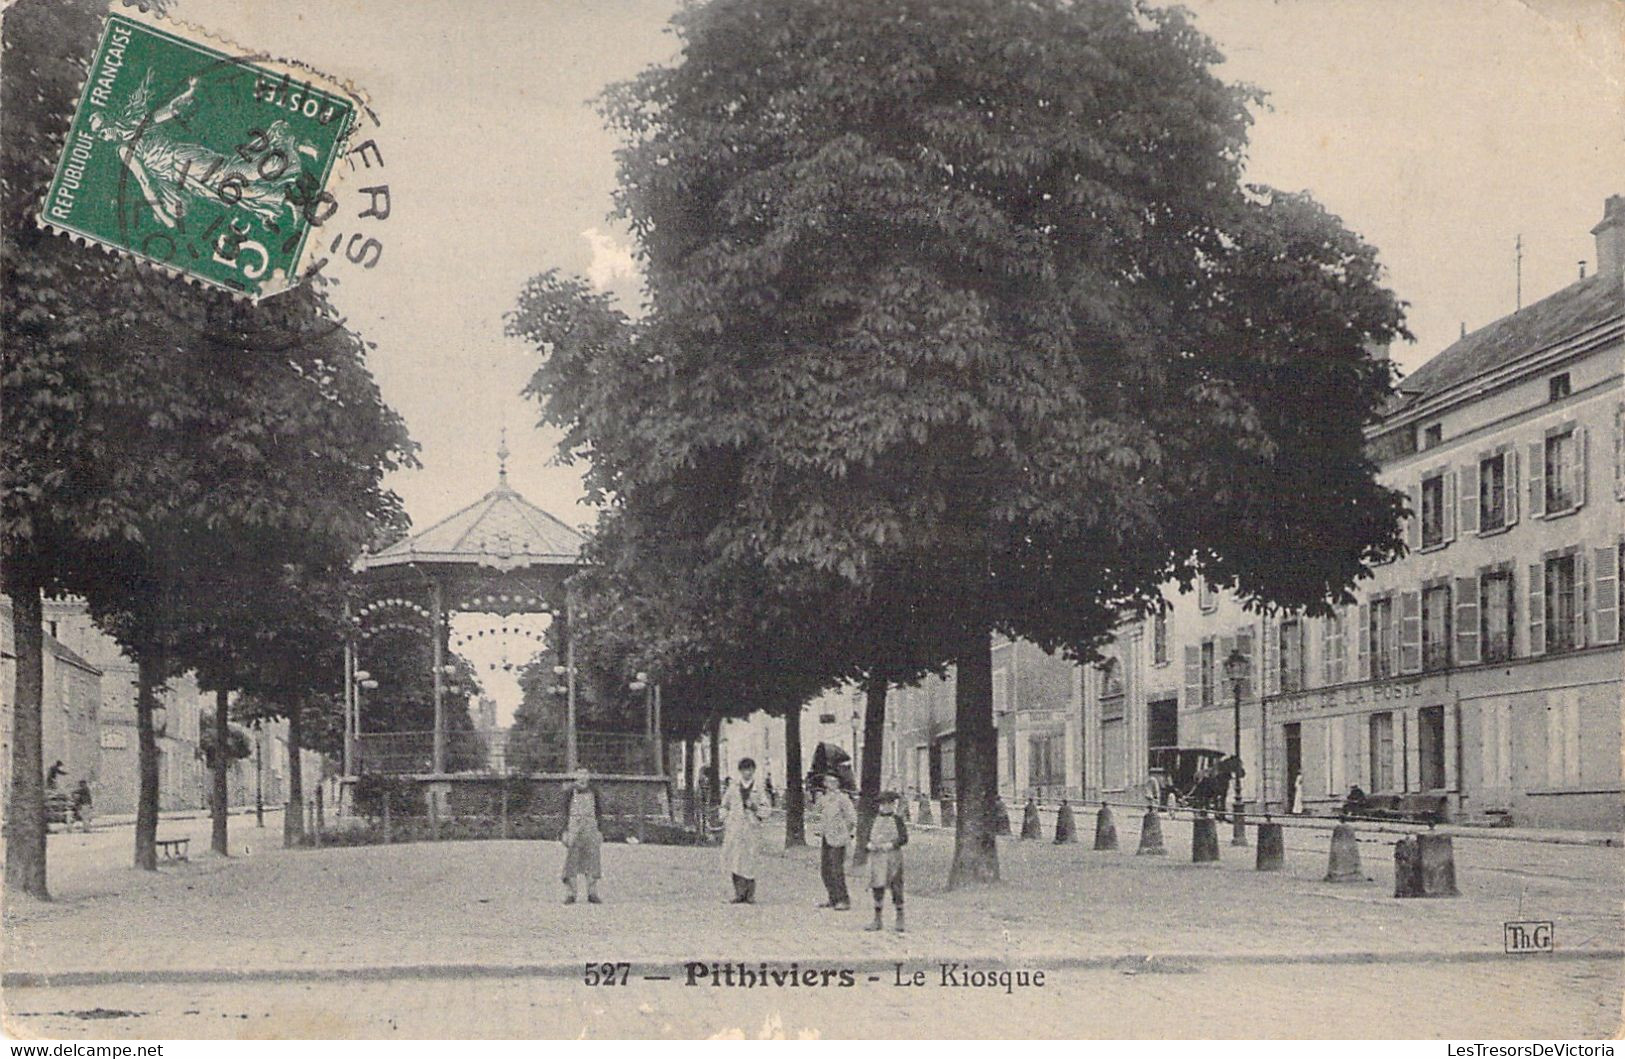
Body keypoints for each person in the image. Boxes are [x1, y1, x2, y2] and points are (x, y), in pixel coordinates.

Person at [721, 757, 768, 904]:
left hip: (751, 829)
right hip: (735, 829)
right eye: (744, 770)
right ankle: (738, 893)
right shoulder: (733, 787)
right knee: (735, 860)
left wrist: (754, 807)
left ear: (754, 771)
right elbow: (724, 805)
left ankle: (750, 894)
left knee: (750, 860)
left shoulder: (759, 789)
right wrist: (725, 819)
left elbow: (767, 809)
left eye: (750, 770)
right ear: (740, 771)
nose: (747, 773)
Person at [865, 790, 908, 933]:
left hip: (893, 857)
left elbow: (904, 838)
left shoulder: (897, 820)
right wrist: (869, 845)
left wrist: (891, 845)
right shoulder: (873, 820)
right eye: (883, 804)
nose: (886, 807)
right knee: (878, 886)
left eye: (889, 804)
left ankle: (900, 917)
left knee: (896, 886)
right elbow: (866, 836)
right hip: (877, 858)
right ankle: (877, 919)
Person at [560, 767, 604, 904]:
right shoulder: (569, 791)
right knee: (572, 860)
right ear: (575, 775)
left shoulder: (594, 791)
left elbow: (599, 812)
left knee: (592, 858)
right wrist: (564, 831)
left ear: (589, 776)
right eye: (579, 773)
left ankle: (592, 893)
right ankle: (571, 894)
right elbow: (564, 813)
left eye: (585, 773)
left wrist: (600, 831)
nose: (582, 776)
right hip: (574, 826)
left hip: (590, 827)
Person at [813, 773, 855, 910]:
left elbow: (851, 818)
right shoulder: (823, 799)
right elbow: (817, 815)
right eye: (828, 781)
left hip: (838, 838)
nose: (830, 784)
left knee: (837, 869)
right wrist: (818, 828)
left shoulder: (842, 798)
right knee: (826, 869)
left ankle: (843, 899)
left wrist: (845, 832)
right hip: (826, 837)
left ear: (838, 783)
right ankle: (833, 898)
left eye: (833, 781)